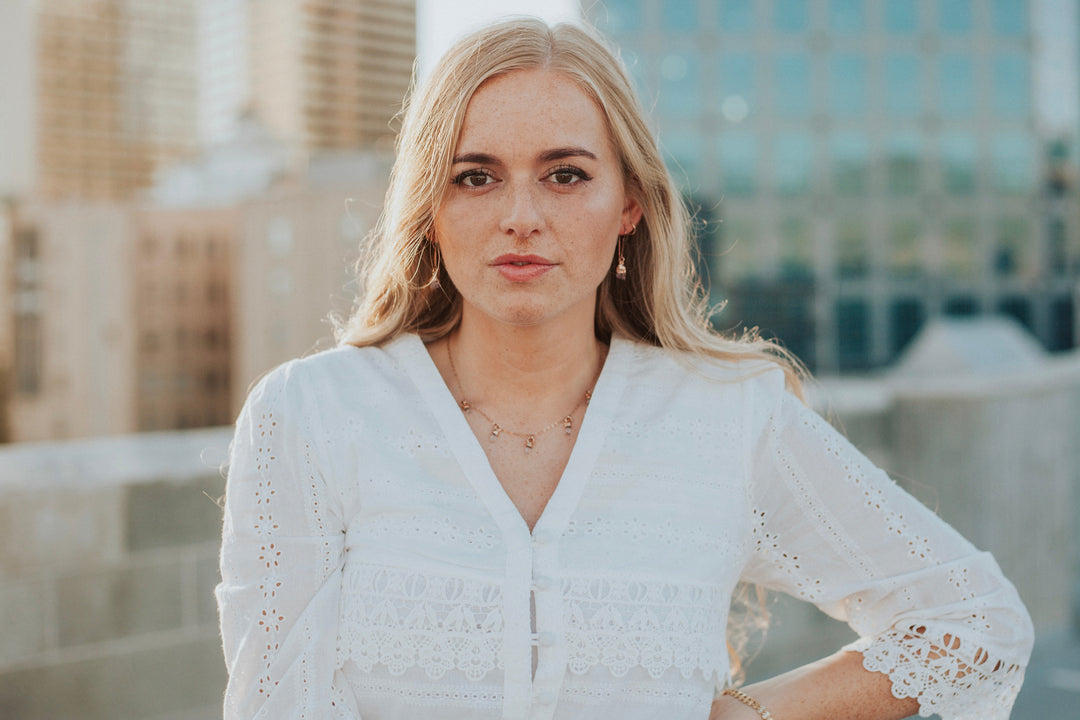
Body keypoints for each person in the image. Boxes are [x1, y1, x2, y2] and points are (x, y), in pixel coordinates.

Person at [216, 18, 1033, 720]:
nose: (522, 217)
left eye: (565, 174)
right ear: (431, 211)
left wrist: (750, 715)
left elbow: (976, 619)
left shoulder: (727, 417)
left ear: (630, 204)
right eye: (476, 176)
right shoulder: (313, 416)